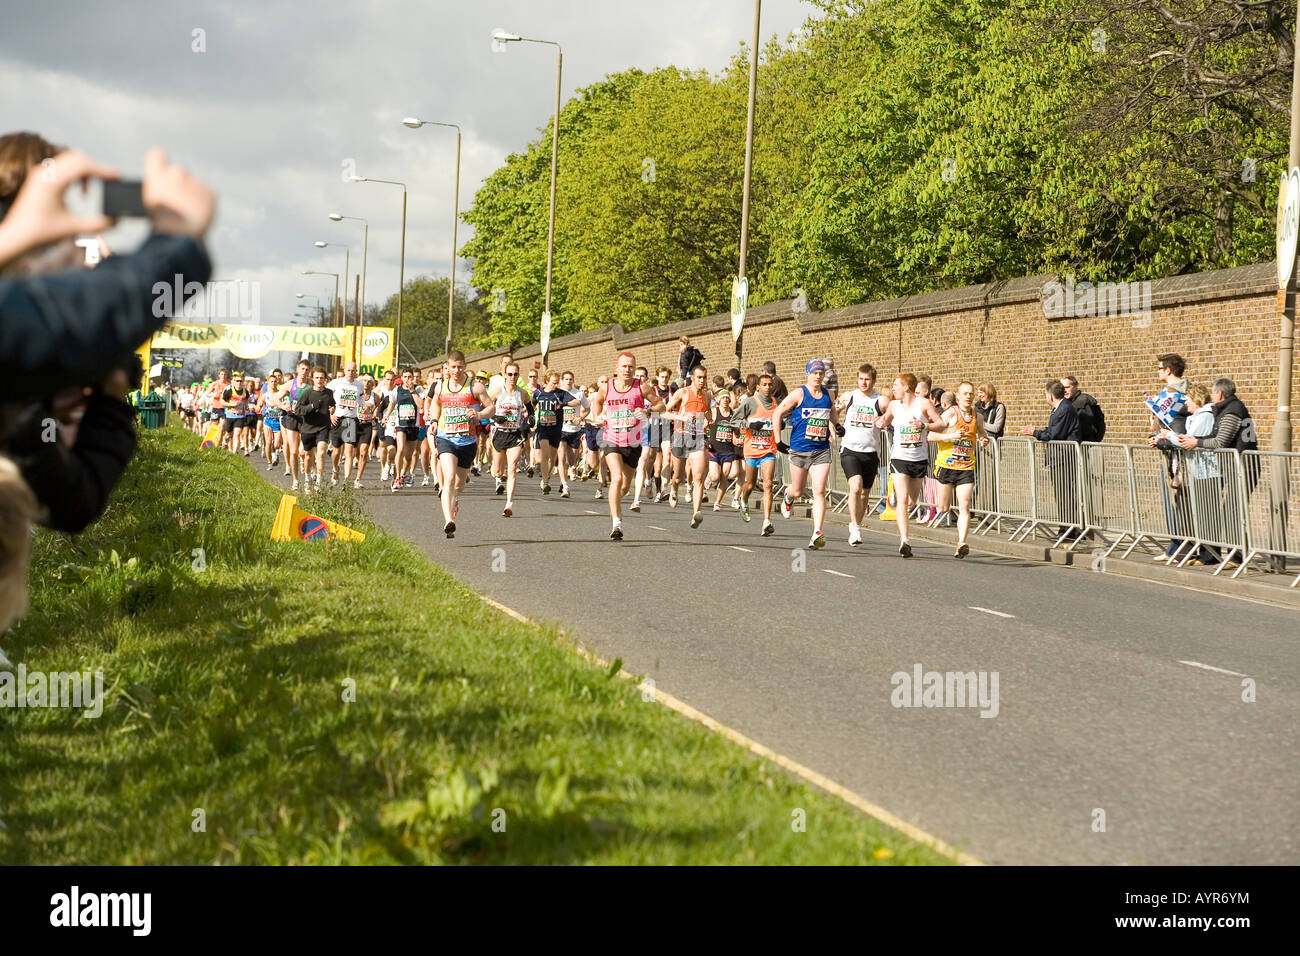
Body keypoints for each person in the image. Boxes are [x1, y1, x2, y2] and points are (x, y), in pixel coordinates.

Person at [588, 352, 666, 539]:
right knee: (615, 478)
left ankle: (616, 501)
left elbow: (661, 406)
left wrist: (646, 410)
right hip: (611, 439)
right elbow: (597, 402)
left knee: (624, 485)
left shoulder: (642, 387)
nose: (627, 370)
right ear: (617, 368)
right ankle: (617, 524)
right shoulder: (607, 387)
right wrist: (598, 417)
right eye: (624, 366)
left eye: (631, 366)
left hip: (633, 442)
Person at [876, 374, 948, 557]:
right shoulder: (893, 405)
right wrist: (880, 422)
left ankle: (897, 499)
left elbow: (941, 424)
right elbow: (885, 420)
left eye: (896, 386)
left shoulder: (923, 404)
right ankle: (905, 540)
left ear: (906, 387)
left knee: (910, 502)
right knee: (902, 500)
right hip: (899, 457)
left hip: (919, 459)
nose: (893, 389)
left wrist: (924, 426)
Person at [772, 359, 840, 550]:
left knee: (819, 490)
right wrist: (778, 441)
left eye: (821, 373)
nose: (818, 376)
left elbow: (831, 411)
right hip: (799, 449)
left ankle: (817, 532)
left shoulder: (829, 394)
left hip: (821, 450)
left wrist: (837, 425)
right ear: (808, 374)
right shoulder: (798, 394)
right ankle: (788, 497)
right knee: (798, 490)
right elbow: (777, 413)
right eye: (814, 373)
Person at [427, 352, 495, 538]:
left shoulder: (475, 386)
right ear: (447, 367)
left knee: (459, 483)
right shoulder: (440, 386)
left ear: (465, 366)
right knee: (448, 478)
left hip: (467, 441)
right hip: (445, 438)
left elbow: (491, 407)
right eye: (452, 367)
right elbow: (436, 404)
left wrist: (479, 416)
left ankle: (455, 498)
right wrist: (434, 420)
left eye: (460, 367)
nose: (456, 370)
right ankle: (449, 521)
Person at [929, 382, 989, 557]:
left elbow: (982, 433)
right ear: (958, 396)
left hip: (966, 467)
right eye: (965, 394)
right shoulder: (950, 414)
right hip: (947, 466)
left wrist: (983, 440)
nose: (969, 397)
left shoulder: (977, 417)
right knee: (944, 507)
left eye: (971, 394)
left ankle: (961, 542)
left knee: (964, 505)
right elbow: (931, 435)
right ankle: (944, 512)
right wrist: (951, 436)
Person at [1020, 380, 1083, 540]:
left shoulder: (1064, 409)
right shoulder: (1059, 409)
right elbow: (1053, 430)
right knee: (1061, 494)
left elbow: (1055, 435)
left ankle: (1069, 529)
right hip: (1058, 456)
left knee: (1065, 494)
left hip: (1063, 457)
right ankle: (1065, 527)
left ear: (1050, 396)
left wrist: (1034, 432)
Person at [837, 363, 885, 547]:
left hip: (870, 452)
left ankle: (856, 524)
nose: (863, 382)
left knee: (864, 495)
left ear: (873, 380)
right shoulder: (850, 397)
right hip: (850, 449)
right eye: (861, 379)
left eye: (867, 379)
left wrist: (884, 420)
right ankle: (855, 528)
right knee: (855, 487)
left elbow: (892, 414)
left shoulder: (880, 400)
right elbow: (834, 411)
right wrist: (835, 426)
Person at [663, 365, 715, 528]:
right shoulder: (683, 392)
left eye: (704, 377)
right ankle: (674, 488)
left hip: (697, 438)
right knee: (678, 477)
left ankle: (696, 513)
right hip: (680, 436)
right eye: (699, 377)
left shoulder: (707, 396)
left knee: (698, 477)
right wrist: (681, 417)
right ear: (692, 378)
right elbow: (664, 411)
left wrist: (708, 423)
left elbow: (708, 415)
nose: (702, 380)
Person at [737, 373, 780, 534]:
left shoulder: (777, 403)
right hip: (751, 450)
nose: (768, 387)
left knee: (768, 484)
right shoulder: (750, 402)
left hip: (769, 449)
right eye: (765, 385)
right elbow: (734, 420)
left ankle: (766, 522)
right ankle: (744, 499)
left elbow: (783, 417)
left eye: (770, 384)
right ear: (758, 387)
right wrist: (749, 424)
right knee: (750, 483)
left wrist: (780, 423)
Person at [530, 370, 581, 497]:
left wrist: (564, 403)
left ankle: (544, 479)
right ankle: (546, 483)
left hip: (556, 429)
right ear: (546, 381)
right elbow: (532, 405)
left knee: (552, 458)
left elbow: (576, 402)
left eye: (557, 383)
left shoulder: (560, 393)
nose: (555, 385)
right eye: (553, 383)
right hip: (543, 428)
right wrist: (531, 418)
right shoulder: (538, 393)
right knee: (545, 455)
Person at [490, 363, 532, 516]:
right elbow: (487, 407)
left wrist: (530, 420)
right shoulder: (497, 392)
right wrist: (496, 417)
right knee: (497, 471)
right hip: (500, 433)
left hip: (515, 435)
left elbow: (531, 409)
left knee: (512, 467)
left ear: (518, 375)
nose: (512, 377)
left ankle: (509, 504)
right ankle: (498, 477)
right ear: (505, 375)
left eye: (515, 374)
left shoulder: (522, 393)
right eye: (509, 374)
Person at [293, 367, 335, 486]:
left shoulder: (329, 393)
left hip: (323, 427)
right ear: (312, 379)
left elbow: (333, 405)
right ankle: (308, 478)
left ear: (325, 379)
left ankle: (319, 482)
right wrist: (311, 407)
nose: (319, 380)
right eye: (317, 378)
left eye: (321, 378)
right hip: (308, 428)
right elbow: (298, 410)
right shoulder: (307, 393)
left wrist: (332, 409)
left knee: (321, 453)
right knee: (308, 456)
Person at [326, 361, 364, 485]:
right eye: (348, 370)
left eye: (353, 370)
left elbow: (361, 400)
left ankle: (347, 481)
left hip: (350, 420)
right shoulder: (336, 383)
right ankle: (335, 469)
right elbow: (326, 398)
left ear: (356, 371)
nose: (351, 373)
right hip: (338, 418)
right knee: (336, 451)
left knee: (349, 452)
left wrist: (365, 409)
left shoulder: (359, 385)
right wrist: (331, 415)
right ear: (344, 370)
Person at [705, 390, 743, 512]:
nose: (725, 400)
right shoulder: (713, 412)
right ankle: (709, 478)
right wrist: (705, 439)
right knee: (715, 476)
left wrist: (737, 430)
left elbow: (737, 432)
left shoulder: (733, 414)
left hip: (728, 450)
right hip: (714, 449)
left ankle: (717, 502)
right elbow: (703, 426)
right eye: (723, 398)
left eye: (727, 398)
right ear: (718, 400)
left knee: (724, 477)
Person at [558, 370, 586, 495]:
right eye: (566, 379)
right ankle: (564, 485)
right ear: (562, 380)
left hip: (574, 430)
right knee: (561, 457)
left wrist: (580, 417)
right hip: (561, 429)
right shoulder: (558, 394)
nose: (568, 381)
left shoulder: (579, 394)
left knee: (572, 459)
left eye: (570, 379)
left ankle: (571, 468)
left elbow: (588, 408)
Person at [1063, 375, 1106, 443]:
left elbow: (1087, 428)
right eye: (1062, 388)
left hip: (1080, 446)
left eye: (1067, 387)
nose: (1064, 391)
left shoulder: (1083, 403)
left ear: (1075, 387)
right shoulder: (1065, 403)